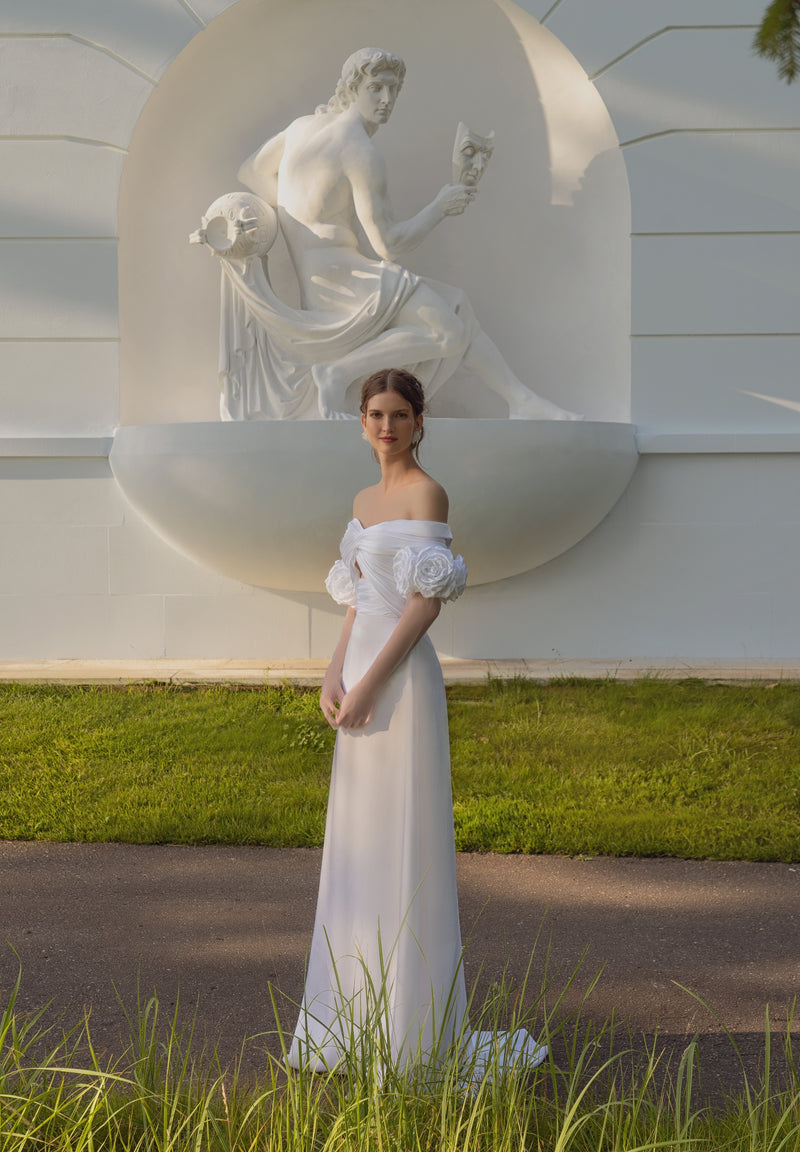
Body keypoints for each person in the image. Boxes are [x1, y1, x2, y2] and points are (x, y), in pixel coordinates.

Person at [287, 367, 547, 1077]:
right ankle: (349, 1023)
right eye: (375, 413)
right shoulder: (363, 497)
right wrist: (334, 671)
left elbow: (422, 606)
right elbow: (358, 598)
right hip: (363, 672)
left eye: (399, 413)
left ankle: (410, 1036)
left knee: (402, 839)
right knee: (359, 840)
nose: (387, 425)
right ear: (362, 421)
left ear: (419, 421)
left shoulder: (426, 493)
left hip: (402, 682)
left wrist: (371, 683)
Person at [237, 47, 580, 421]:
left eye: (393, 89)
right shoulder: (360, 151)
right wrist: (439, 207)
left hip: (331, 276)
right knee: (448, 332)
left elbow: (250, 172)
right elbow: (390, 246)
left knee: (458, 303)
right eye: (376, 88)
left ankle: (521, 401)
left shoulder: (301, 127)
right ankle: (337, 372)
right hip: (346, 284)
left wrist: (294, 223)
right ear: (353, 88)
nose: (386, 100)